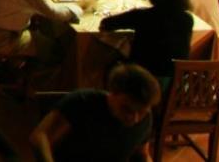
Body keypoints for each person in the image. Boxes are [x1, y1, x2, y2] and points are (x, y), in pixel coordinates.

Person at [29, 63, 161, 162]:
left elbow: (142, 154)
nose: (135, 118)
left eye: (141, 112)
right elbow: (40, 136)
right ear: (112, 92)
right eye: (127, 109)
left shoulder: (145, 119)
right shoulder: (83, 102)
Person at [100, 0, 192, 85]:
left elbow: (106, 24)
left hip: (141, 80)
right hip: (173, 81)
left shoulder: (143, 16)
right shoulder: (187, 19)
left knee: (111, 63)